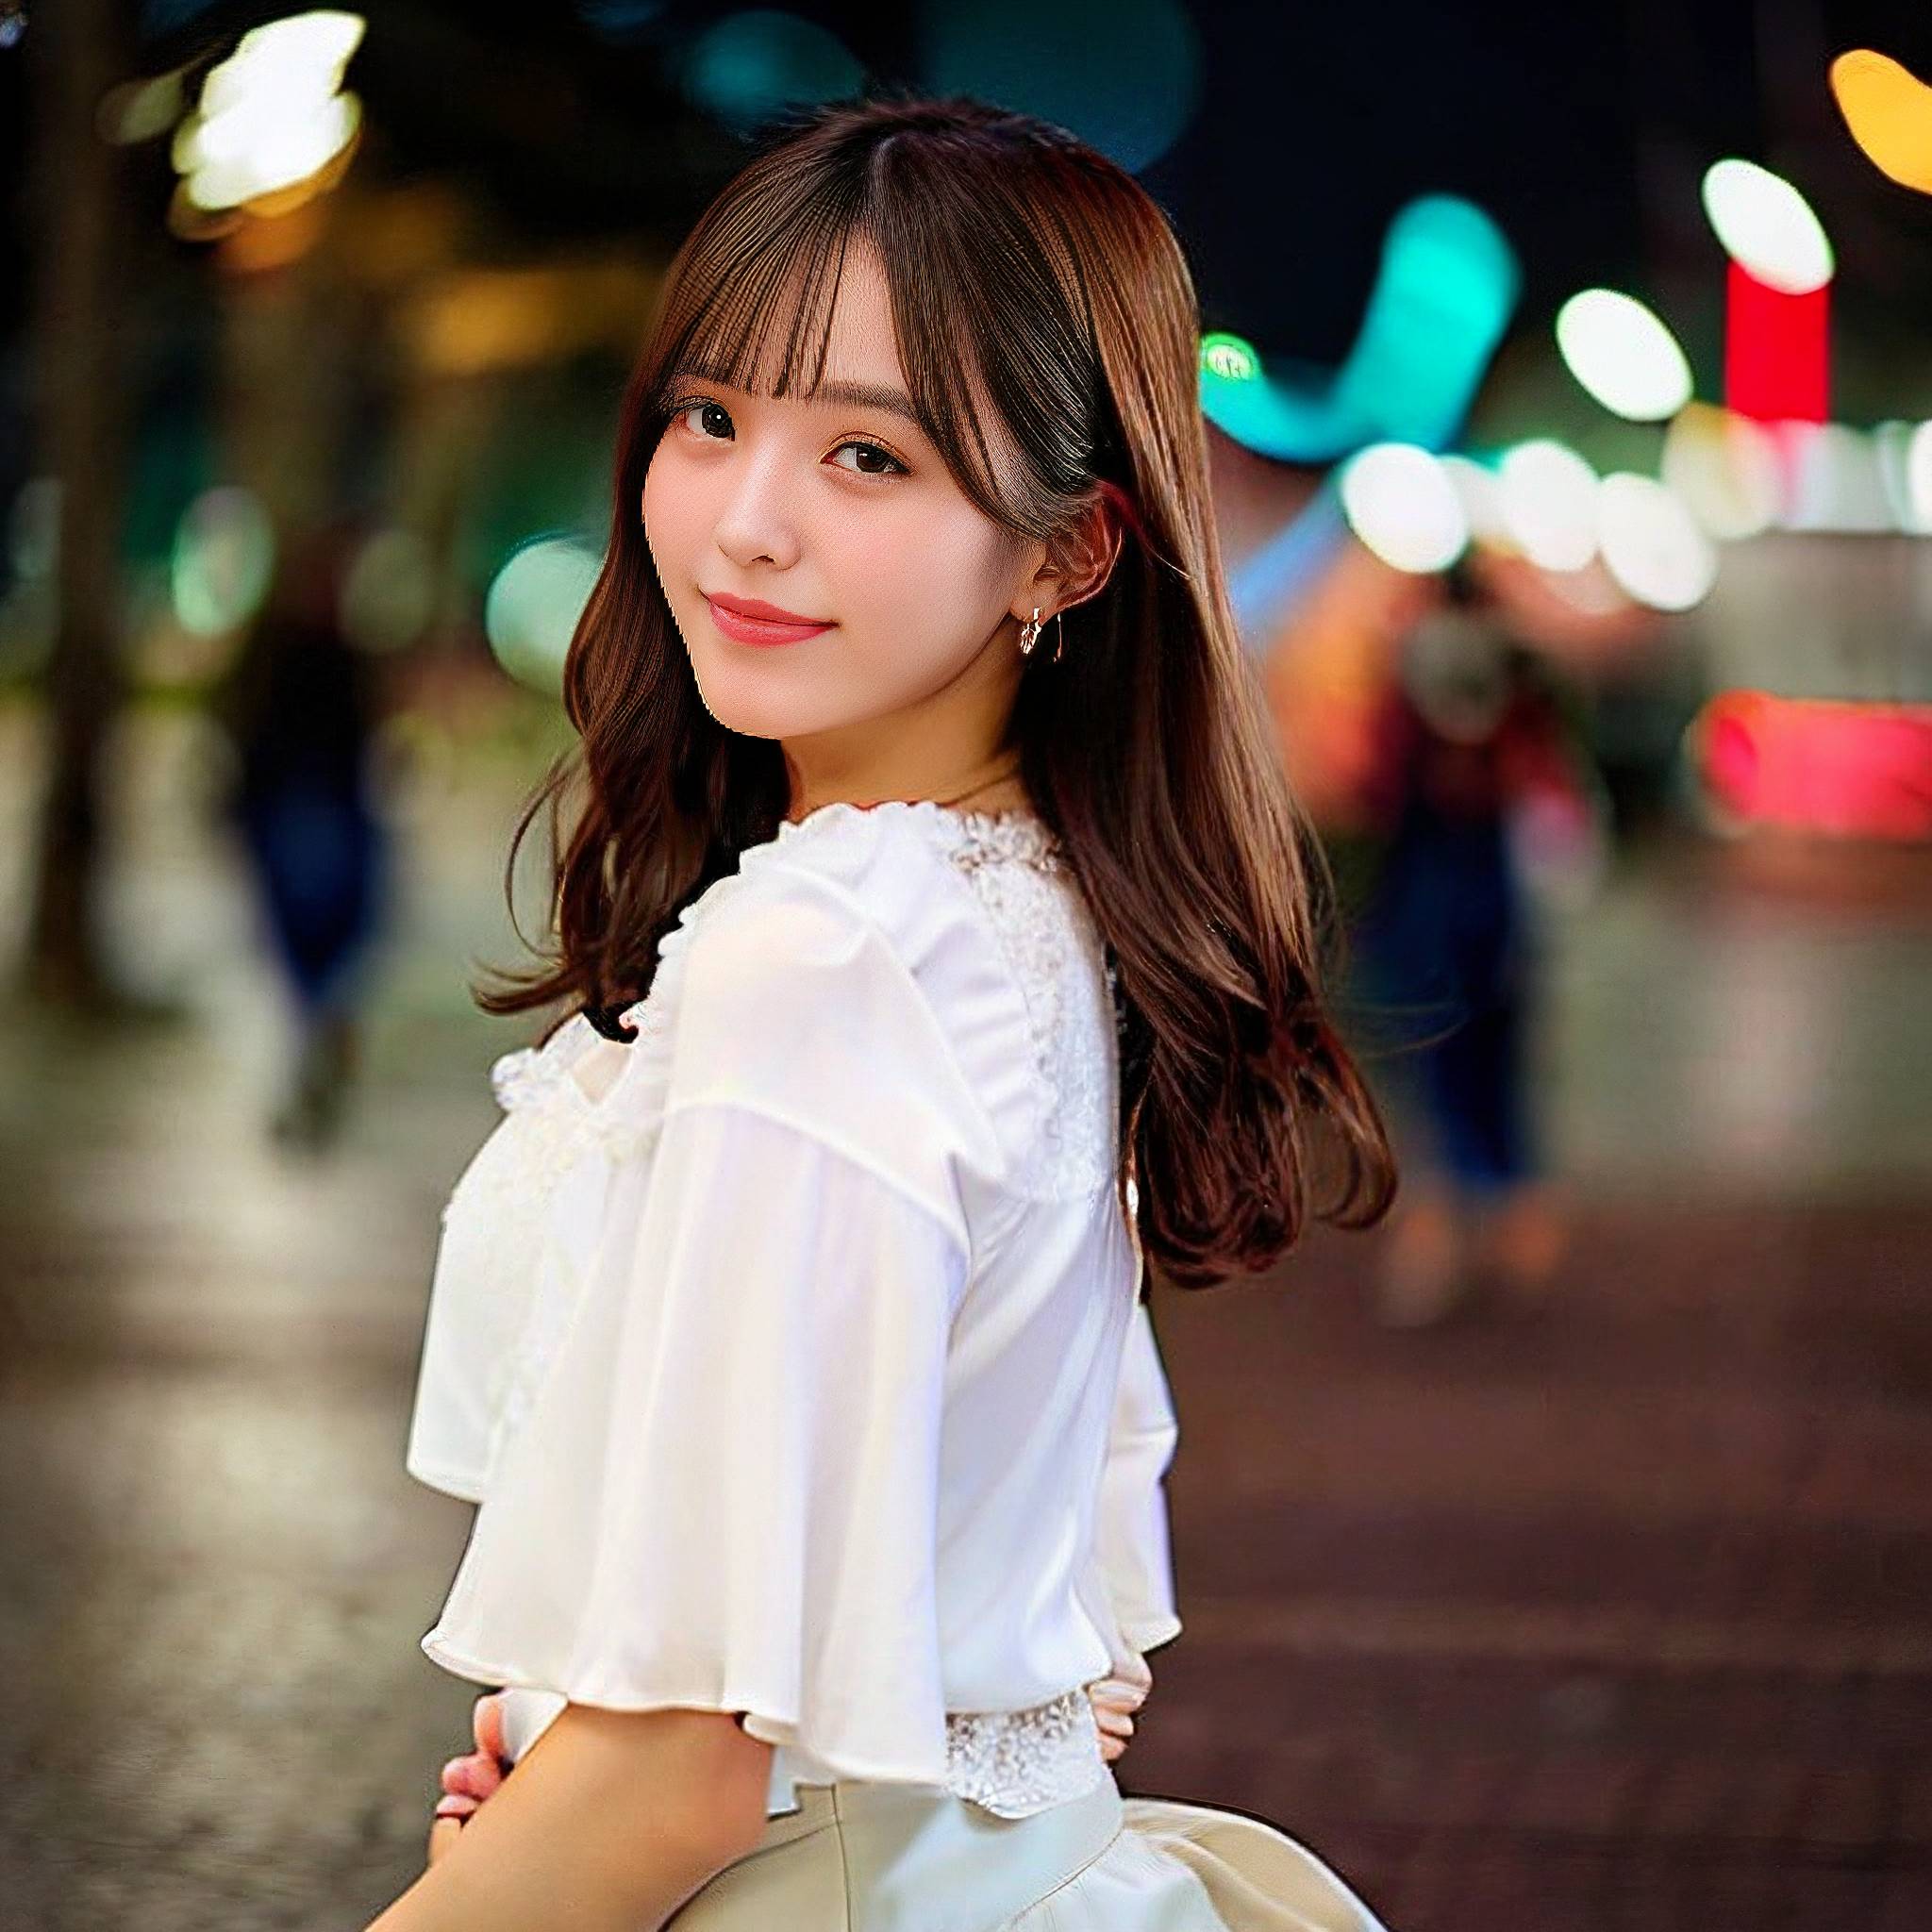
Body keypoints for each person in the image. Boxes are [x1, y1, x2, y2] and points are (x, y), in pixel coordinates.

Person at [369, 94, 1399, 1932]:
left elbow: (683, 1767)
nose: (744, 525)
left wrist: (598, 1803)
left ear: (1069, 552)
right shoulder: (1027, 911)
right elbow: (1066, 1631)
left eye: (869, 459)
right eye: (709, 418)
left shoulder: (829, 960)